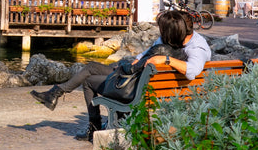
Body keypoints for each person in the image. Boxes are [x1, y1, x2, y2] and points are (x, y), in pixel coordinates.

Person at [30, 9, 211, 142]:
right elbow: (143, 56)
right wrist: (138, 62)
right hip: (140, 83)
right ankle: (55, 94)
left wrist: (164, 60)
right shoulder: (171, 41)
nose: (159, 33)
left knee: (88, 81)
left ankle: (90, 126)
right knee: (92, 67)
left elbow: (192, 71)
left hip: (132, 89)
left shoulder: (196, 48)